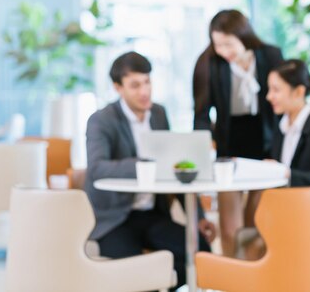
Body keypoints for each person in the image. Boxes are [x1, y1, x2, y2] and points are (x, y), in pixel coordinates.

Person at [84, 51, 216, 291]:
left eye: (147, 82)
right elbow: (97, 169)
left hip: (152, 215)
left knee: (201, 253)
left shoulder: (158, 114)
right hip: (115, 219)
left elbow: (174, 166)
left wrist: (198, 217)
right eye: (135, 85)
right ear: (118, 87)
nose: (144, 91)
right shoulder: (101, 120)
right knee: (138, 274)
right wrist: (144, 164)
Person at [192, 9, 283, 257]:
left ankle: (252, 277)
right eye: (217, 44)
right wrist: (202, 151)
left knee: (255, 223)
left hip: (264, 145)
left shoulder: (271, 56)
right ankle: (233, 277)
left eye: (228, 44)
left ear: (244, 36)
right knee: (230, 227)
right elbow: (201, 115)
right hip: (228, 148)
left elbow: (281, 107)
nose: (223, 51)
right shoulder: (209, 62)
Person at [266, 59, 310, 186]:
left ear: (299, 91)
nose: (269, 96)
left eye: (276, 90)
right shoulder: (280, 127)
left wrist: (287, 173)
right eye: (269, 89)